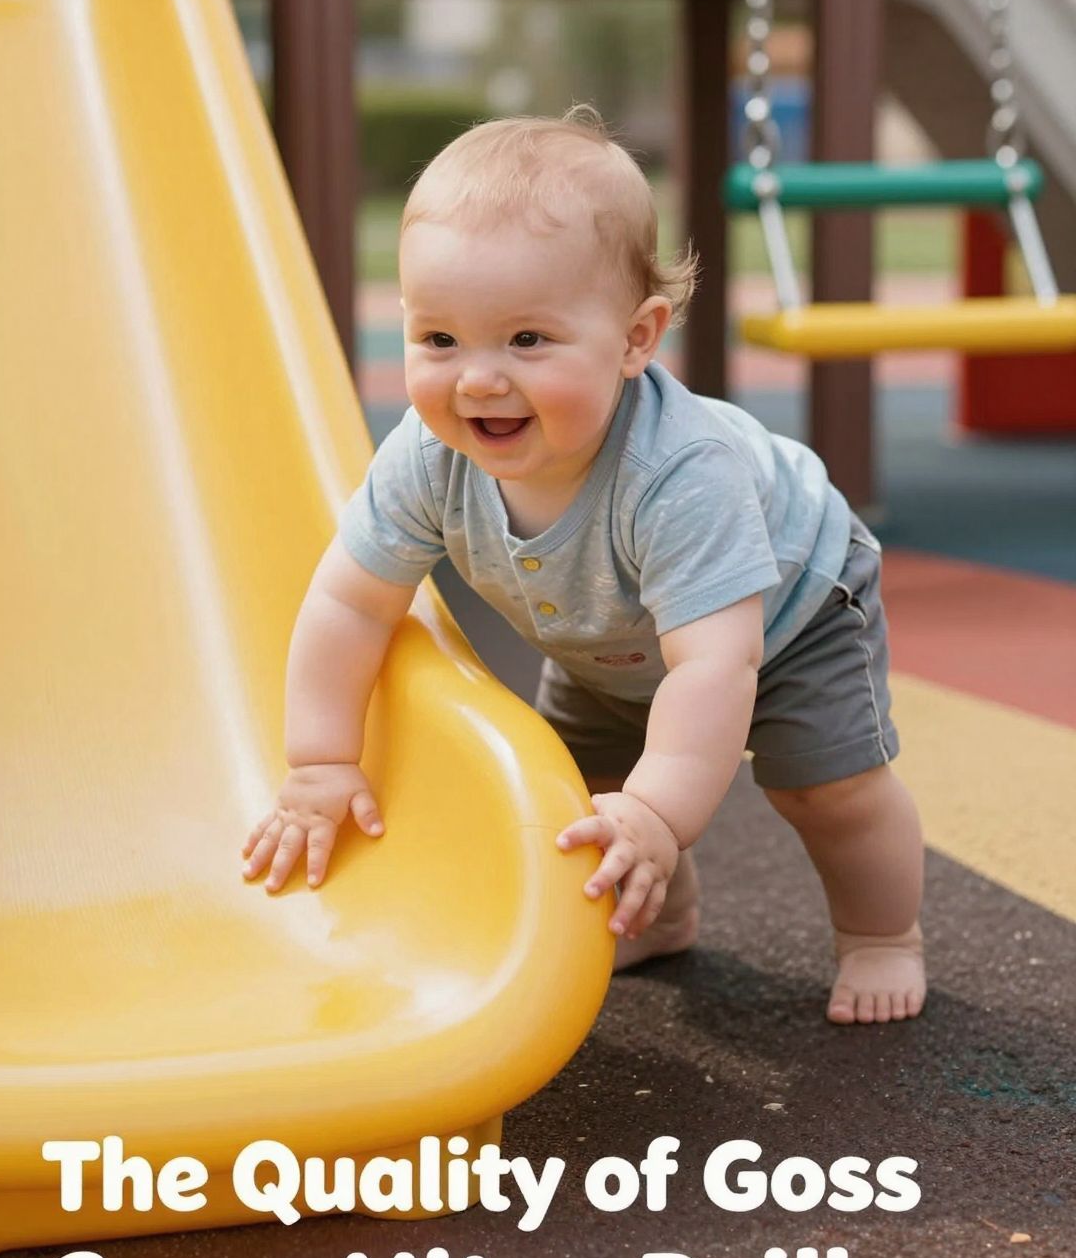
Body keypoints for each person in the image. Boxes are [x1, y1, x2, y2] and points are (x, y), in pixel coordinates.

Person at [243, 112, 925, 1025]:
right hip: (610, 635)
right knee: (584, 792)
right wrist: (322, 761)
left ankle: (883, 935)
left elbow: (716, 666)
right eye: (439, 341)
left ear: (637, 338)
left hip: (792, 611)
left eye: (527, 340)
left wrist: (661, 813)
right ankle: (666, 913)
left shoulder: (680, 476)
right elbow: (348, 603)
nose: (478, 379)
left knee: (825, 785)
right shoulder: (425, 455)